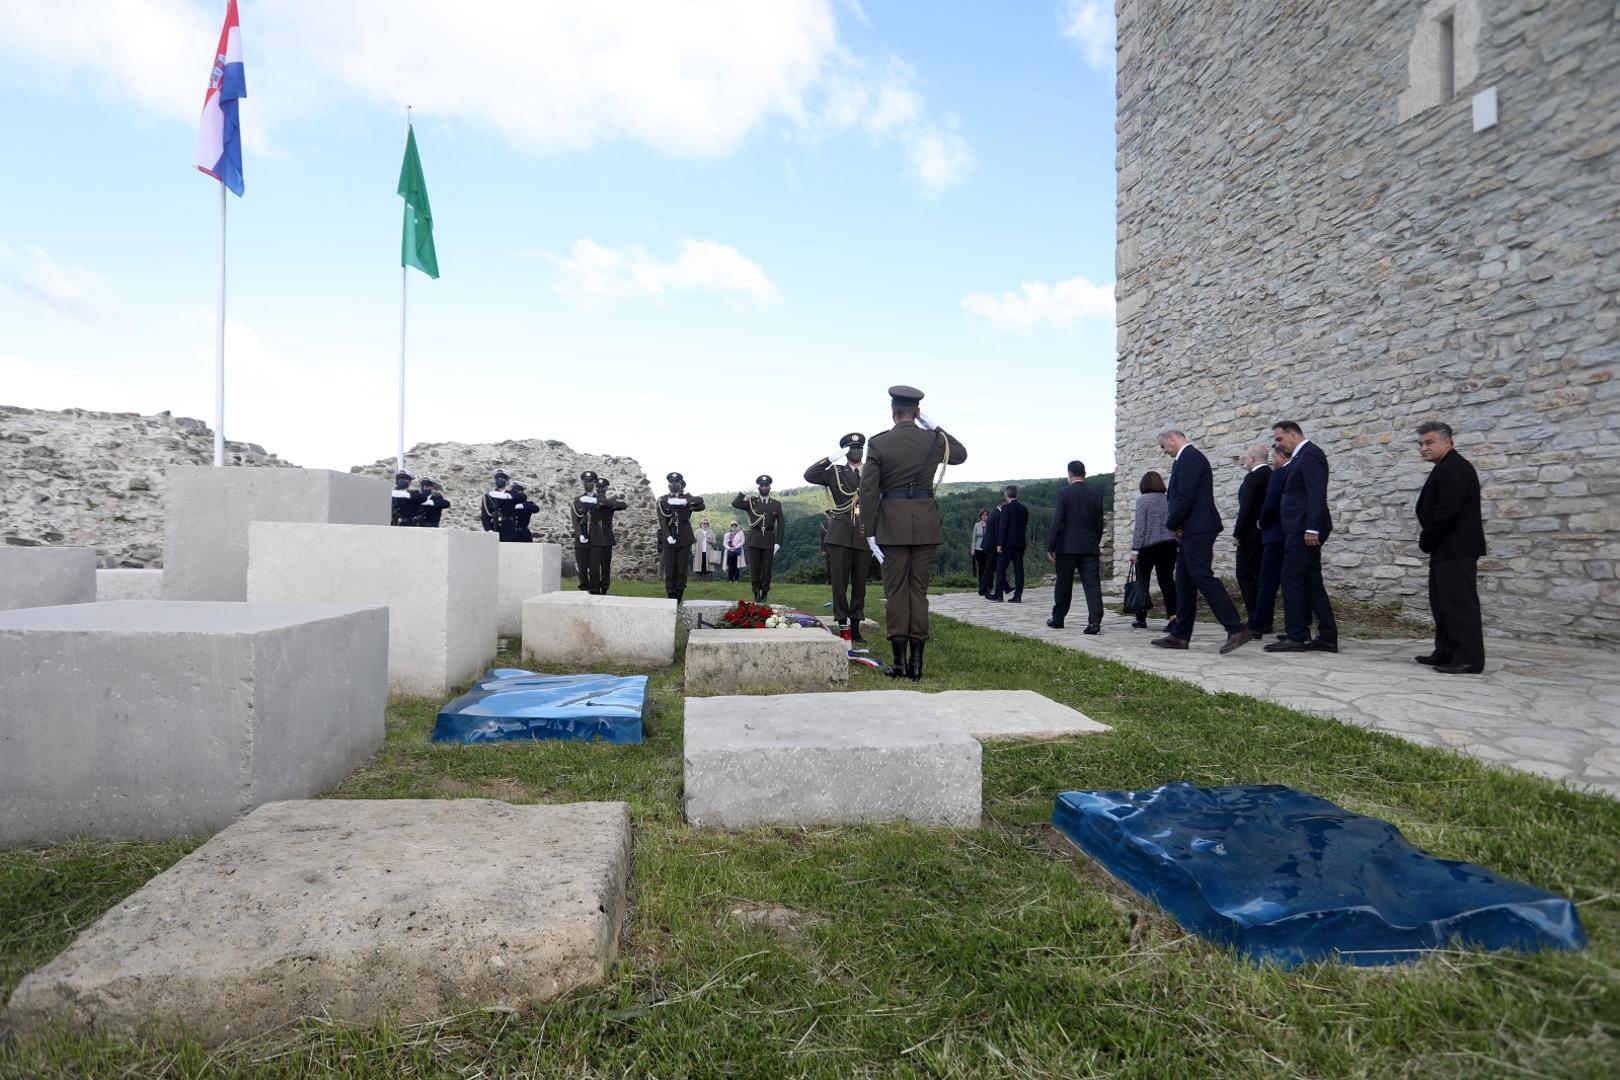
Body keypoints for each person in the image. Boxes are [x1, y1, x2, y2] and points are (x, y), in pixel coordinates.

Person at [857, 384, 967, 680]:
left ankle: (900, 663)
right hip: (925, 525)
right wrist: (935, 426)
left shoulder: (879, 443)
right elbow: (960, 454)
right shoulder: (933, 441)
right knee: (918, 592)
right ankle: (917, 665)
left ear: (893, 412)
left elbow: (868, 491)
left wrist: (869, 530)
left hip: (891, 527)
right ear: (917, 413)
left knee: (896, 593)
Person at [1153, 426, 1253, 654]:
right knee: (1184, 582)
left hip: (1199, 527)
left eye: (1163, 446)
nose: (1163, 451)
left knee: (1201, 576)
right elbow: (1181, 496)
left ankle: (1236, 628)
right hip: (1191, 527)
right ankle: (1180, 635)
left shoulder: (1191, 457)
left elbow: (1186, 496)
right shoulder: (1185, 459)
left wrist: (1172, 524)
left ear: (1171, 438)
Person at [1415, 420, 1486, 674]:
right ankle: (1446, 651)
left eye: (1429, 442)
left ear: (1448, 442)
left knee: (1459, 604)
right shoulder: (1444, 467)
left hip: (1456, 547)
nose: (1423, 448)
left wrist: (1427, 538)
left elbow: (1446, 512)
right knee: (1442, 602)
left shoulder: (1455, 468)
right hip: (1445, 549)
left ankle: (1468, 658)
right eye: (1420, 444)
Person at [1265, 420, 1338, 653]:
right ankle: (1327, 636)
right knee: (1311, 581)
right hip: (1298, 528)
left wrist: (1312, 528)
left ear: (1293, 434)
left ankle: (1296, 636)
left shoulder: (1310, 454)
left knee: (1290, 577)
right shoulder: (1300, 456)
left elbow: (1316, 492)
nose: (1277, 443)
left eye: (1279, 439)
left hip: (1304, 529)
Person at [803, 433, 870, 640]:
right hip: (840, 533)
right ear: (845, 451)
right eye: (851, 448)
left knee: (860, 583)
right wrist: (830, 458)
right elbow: (810, 475)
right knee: (839, 583)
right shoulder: (835, 472)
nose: (857, 451)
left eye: (860, 447)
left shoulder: (872, 471)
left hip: (865, 532)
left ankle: (856, 627)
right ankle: (843, 625)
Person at [1046, 461, 1105, 633]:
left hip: (1066, 546)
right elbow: (1099, 525)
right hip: (1089, 546)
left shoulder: (1063, 493)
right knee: (1092, 584)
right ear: (1084, 474)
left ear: (1070, 474)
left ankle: (1058, 619)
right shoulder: (1096, 495)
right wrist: (1095, 541)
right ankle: (1094, 622)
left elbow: (1058, 521)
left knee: (1063, 584)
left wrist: (1051, 546)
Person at [1245, 443, 1291, 638]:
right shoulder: (1293, 471)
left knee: (1267, 581)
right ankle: (1299, 628)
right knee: (1294, 582)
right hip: (1290, 534)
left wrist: (1261, 522)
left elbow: (1270, 503)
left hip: (1274, 534)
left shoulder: (1279, 474)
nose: (1272, 461)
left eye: (1274, 457)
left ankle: (1257, 624)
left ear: (1280, 456)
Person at [1129, 471, 1178, 630]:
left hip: (1148, 546)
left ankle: (1141, 619)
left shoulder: (1142, 501)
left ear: (1144, 484)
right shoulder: (1169, 499)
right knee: (1167, 581)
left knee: (1143, 582)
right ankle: (1173, 618)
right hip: (1169, 544)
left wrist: (1135, 550)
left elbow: (1140, 527)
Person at [1233, 443, 1272, 623]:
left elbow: (1246, 508)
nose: (1244, 461)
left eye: (1246, 458)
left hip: (1250, 536)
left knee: (1245, 575)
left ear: (1253, 459)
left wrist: (1237, 534)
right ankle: (1266, 619)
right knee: (1264, 578)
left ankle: (1256, 619)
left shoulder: (1253, 478)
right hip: (1267, 535)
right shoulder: (1273, 475)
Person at [731, 476, 786, 603]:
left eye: (767, 485)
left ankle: (765, 592)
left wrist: (778, 542)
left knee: (767, 568)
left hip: (769, 538)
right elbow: (735, 503)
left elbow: (781, 525)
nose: (765, 487)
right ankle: (756, 591)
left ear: (770, 487)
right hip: (754, 538)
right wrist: (744, 492)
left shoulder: (776, 504)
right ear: (758, 487)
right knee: (755, 568)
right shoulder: (752, 502)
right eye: (762, 485)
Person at [655, 471, 706, 602]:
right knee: (670, 569)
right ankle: (671, 596)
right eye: (671, 482)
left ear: (680, 484)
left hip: (684, 537)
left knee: (682, 569)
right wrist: (667, 536)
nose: (673, 484)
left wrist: (684, 502)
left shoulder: (687, 497)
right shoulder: (663, 500)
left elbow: (701, 502)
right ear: (668, 484)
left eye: (676, 482)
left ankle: (679, 595)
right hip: (669, 539)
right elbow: (662, 521)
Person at [585, 477, 627, 595]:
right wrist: (603, 502)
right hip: (594, 539)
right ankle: (594, 589)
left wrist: (606, 502)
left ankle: (604, 588)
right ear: (595, 488)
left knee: (605, 567)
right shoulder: (590, 501)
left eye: (603, 487)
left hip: (607, 540)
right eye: (598, 487)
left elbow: (623, 505)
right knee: (593, 567)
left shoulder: (608, 502)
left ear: (606, 488)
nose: (600, 489)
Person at [988, 485, 1028, 603]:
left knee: (1001, 568)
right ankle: (1018, 596)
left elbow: (1003, 527)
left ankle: (999, 594)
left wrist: (999, 544)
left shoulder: (1005, 509)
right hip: (1020, 543)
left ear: (1006, 495)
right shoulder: (1024, 509)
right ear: (1016, 494)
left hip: (1007, 544)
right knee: (1018, 569)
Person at [568, 470, 599, 590]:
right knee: (582, 568)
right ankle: (583, 590)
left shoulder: (600, 499)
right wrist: (580, 534)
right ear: (583, 483)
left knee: (594, 568)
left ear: (595, 482)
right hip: (581, 539)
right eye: (586, 481)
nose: (589, 483)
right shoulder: (577, 500)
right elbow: (575, 520)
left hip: (596, 538)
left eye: (591, 481)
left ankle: (595, 590)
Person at [980, 499, 1011, 597]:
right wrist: (1001, 544)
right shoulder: (998, 515)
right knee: (989, 568)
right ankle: (983, 589)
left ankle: (1006, 587)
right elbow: (999, 532)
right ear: (1003, 505)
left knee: (996, 567)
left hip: (989, 544)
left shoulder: (994, 513)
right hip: (992, 545)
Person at [971, 509, 991, 588]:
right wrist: (973, 549)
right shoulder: (976, 525)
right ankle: (981, 586)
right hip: (979, 549)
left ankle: (989, 586)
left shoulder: (990, 524)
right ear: (980, 516)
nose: (984, 517)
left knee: (988, 568)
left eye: (986, 515)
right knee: (981, 568)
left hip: (988, 549)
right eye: (982, 515)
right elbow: (974, 538)